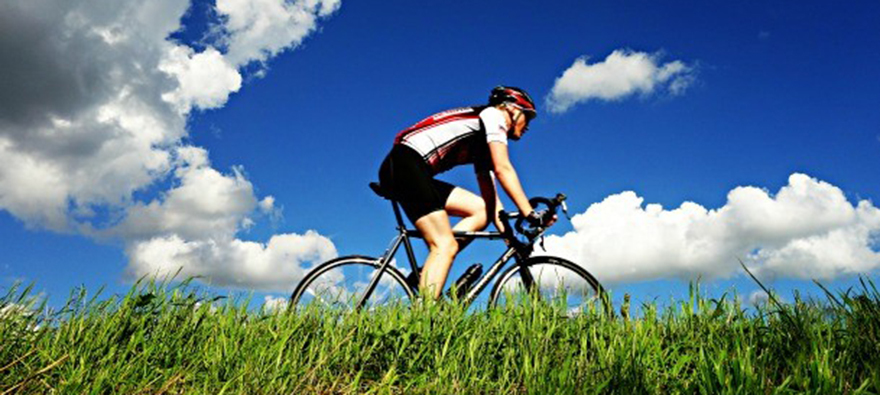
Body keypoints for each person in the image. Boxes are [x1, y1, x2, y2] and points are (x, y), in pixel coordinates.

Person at [378, 86, 552, 300]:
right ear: (512, 110)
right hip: (405, 164)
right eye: (528, 117)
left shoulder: (483, 139)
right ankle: (424, 319)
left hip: (409, 168)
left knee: (480, 210)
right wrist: (529, 213)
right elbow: (503, 168)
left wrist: (508, 235)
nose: (528, 126)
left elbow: (490, 200)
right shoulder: (494, 115)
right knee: (444, 244)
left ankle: (428, 270)